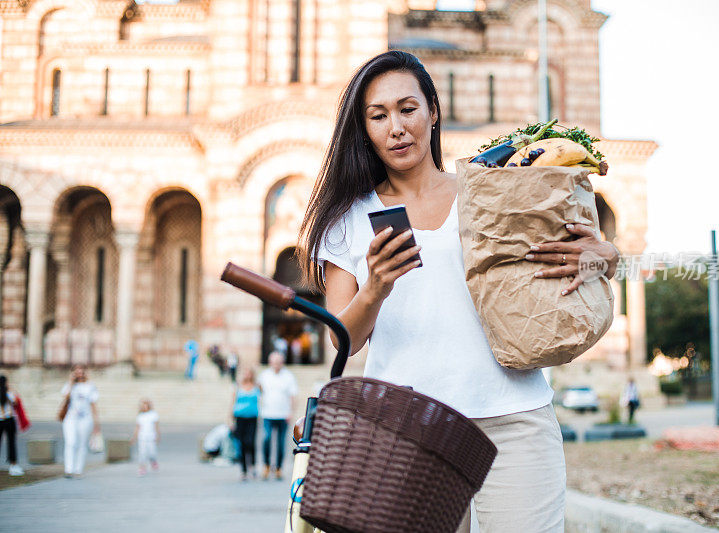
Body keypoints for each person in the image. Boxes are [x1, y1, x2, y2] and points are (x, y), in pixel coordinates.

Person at [298, 51, 620, 532]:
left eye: (407, 109)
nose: (396, 128)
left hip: (515, 420)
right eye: (378, 116)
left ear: (433, 109)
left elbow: (565, 261)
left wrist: (605, 257)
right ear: (363, 129)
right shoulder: (347, 219)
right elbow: (342, 337)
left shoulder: (490, 189)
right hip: (409, 432)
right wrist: (377, 287)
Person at [257, 351, 297, 480]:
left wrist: (291, 412)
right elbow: (259, 392)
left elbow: (293, 395)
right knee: (266, 439)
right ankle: (266, 465)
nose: (276, 364)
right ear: (270, 362)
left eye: (278, 362)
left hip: (283, 414)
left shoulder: (288, 376)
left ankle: (279, 467)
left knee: (281, 442)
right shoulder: (264, 375)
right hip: (268, 413)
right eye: (274, 362)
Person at [60, 364, 101, 478]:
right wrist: (71, 382)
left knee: (82, 444)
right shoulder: (70, 385)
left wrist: (96, 422)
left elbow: (93, 404)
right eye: (76, 372)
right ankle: (69, 469)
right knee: (70, 442)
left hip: (85, 418)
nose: (79, 374)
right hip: (70, 418)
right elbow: (65, 395)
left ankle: (78, 469)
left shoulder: (90, 386)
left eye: (81, 372)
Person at [231, 367, 260, 481]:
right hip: (240, 417)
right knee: (242, 443)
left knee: (250, 442)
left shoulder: (257, 387)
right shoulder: (238, 386)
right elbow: (233, 401)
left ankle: (252, 466)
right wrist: (230, 418)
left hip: (252, 417)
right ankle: (243, 469)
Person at [0, 375, 24, 476]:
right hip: (8, 420)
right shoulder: (9, 392)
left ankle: (13, 465)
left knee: (11, 443)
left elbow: (15, 402)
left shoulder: (8, 393)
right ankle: (13, 465)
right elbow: (16, 402)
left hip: (7, 419)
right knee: (11, 444)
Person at [132, 398, 160, 476]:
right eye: (143, 405)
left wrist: (158, 436)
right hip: (142, 437)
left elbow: (156, 426)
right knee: (142, 453)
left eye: (145, 405)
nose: (144, 407)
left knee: (152, 452)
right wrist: (134, 437)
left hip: (151, 437)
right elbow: (137, 428)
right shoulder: (140, 416)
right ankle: (142, 467)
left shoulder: (153, 414)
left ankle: (153, 461)